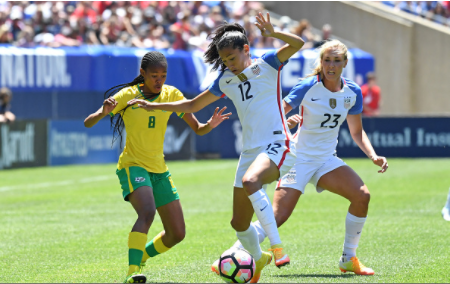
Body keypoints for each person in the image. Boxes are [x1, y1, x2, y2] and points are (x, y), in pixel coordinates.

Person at [126, 12, 304, 283]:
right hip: (250, 152)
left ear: (246, 49)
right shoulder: (225, 80)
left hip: (279, 144)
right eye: (224, 61)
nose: (229, 65)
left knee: (251, 181)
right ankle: (260, 259)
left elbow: (298, 44)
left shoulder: (268, 63)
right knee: (238, 223)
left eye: (232, 58)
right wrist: (154, 105)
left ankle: (277, 249)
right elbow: (191, 105)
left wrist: (273, 32)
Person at [215, 39, 389, 276]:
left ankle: (349, 258)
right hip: (297, 158)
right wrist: (285, 124)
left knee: (362, 196)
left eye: (337, 60)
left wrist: (373, 155)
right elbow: (278, 110)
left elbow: (356, 132)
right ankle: (231, 254)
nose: (331, 65)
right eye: (327, 60)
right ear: (321, 62)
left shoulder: (353, 92)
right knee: (277, 217)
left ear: (344, 63)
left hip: (327, 160)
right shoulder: (308, 85)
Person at [84, 51, 231, 283]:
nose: (159, 80)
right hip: (133, 165)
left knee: (177, 234)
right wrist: (102, 112)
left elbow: (198, 129)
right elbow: (88, 122)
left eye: (163, 75)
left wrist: (210, 125)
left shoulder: (172, 94)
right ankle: (132, 272)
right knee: (147, 212)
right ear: (142, 74)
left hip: (159, 169)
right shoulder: (128, 96)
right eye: (154, 75)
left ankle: (140, 255)